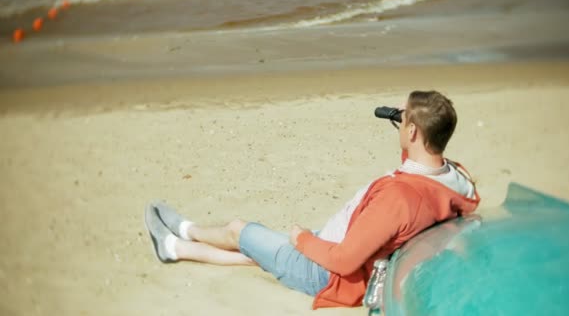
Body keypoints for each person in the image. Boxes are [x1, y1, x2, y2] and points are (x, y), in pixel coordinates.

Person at [144, 90, 480, 309]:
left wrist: (301, 238)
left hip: (323, 268)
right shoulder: (456, 179)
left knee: (238, 231)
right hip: (343, 241)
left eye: (402, 117)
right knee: (259, 254)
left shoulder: (402, 197)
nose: (399, 120)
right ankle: (175, 249)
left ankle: (187, 231)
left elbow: (345, 261)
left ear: (411, 132)